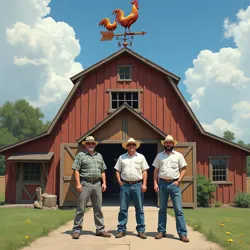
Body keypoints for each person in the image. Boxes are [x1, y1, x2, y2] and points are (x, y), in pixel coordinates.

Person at [71, 136, 111, 239]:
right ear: (85, 145)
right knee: (81, 207)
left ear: (95, 144)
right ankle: (76, 230)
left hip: (97, 184)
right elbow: (76, 170)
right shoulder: (81, 155)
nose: (91, 145)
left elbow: (102, 170)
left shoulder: (99, 156)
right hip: (85, 183)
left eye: (92, 143)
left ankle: (100, 229)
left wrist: (104, 183)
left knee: (98, 208)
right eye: (88, 143)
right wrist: (78, 183)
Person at [153, 135, 189, 242]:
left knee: (178, 210)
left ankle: (182, 234)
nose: (168, 144)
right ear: (164, 144)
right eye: (166, 142)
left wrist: (179, 181)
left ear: (173, 144)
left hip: (174, 184)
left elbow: (184, 169)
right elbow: (155, 170)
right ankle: (161, 231)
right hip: (163, 184)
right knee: (162, 209)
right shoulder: (159, 156)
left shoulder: (178, 156)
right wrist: (155, 183)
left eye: (170, 143)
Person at [114, 138, 149, 239]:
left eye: (133, 145)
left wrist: (144, 183)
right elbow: (117, 170)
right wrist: (119, 181)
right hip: (125, 185)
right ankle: (121, 230)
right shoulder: (122, 157)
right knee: (123, 208)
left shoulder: (141, 157)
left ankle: (141, 230)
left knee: (139, 208)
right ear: (127, 147)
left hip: (137, 185)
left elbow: (145, 171)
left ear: (135, 146)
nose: (131, 146)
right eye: (129, 145)